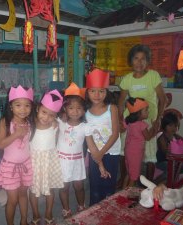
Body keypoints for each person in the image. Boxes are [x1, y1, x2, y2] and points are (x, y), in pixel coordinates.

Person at [57, 82, 111, 218]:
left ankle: (81, 206)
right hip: (61, 161)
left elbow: (92, 148)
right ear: (65, 109)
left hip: (77, 162)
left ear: (84, 110)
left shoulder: (85, 127)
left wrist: (101, 166)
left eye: (79, 108)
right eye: (71, 108)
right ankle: (66, 209)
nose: (75, 111)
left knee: (79, 187)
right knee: (64, 188)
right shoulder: (59, 122)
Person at [118, 44, 166, 181]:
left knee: (150, 155)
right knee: (124, 151)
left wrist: (158, 119)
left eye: (143, 59)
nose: (139, 62)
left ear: (147, 61)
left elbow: (163, 99)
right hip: (130, 120)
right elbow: (121, 103)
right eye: (136, 58)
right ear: (131, 60)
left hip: (148, 118)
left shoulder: (153, 76)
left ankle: (148, 185)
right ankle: (123, 179)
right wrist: (120, 121)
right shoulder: (127, 79)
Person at [0, 85, 34, 225]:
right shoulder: (5, 122)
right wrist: (16, 134)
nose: (23, 109)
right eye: (18, 105)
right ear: (11, 106)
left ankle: (24, 220)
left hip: (26, 165)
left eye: (27, 106)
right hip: (10, 167)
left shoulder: (30, 122)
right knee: (12, 199)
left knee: (24, 194)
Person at [85, 68, 121, 205]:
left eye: (101, 91)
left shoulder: (112, 108)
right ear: (87, 92)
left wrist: (102, 153)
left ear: (107, 92)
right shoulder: (86, 112)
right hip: (94, 152)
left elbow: (115, 133)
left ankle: (107, 213)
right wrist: (97, 155)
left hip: (111, 152)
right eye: (92, 90)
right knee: (95, 185)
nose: (97, 95)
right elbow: (88, 136)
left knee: (108, 185)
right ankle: (93, 211)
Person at [29, 89, 64, 225]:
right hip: (34, 161)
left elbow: (55, 142)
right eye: (44, 112)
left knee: (50, 190)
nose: (46, 117)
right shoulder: (30, 125)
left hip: (49, 161)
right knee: (33, 190)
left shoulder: (56, 125)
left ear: (56, 116)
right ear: (38, 108)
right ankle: (36, 214)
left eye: (51, 115)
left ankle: (49, 213)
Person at [124, 97, 158, 187]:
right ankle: (127, 198)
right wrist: (155, 128)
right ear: (138, 113)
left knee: (129, 174)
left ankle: (121, 195)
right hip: (136, 153)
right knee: (134, 177)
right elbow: (148, 137)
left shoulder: (129, 122)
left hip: (128, 150)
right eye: (146, 110)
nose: (148, 112)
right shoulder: (141, 125)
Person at [156, 111, 183, 179]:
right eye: (170, 125)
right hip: (162, 162)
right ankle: (160, 181)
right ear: (164, 125)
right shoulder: (162, 137)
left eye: (175, 126)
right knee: (173, 168)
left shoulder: (175, 135)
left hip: (174, 160)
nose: (173, 128)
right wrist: (181, 155)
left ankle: (176, 179)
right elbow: (166, 152)